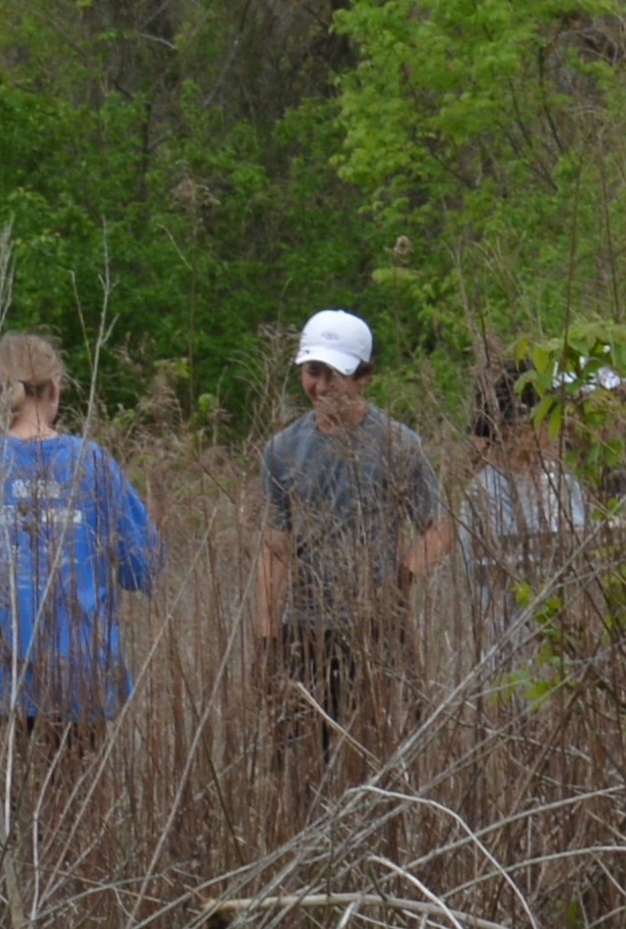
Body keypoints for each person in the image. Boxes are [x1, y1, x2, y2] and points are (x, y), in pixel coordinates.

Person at [0, 331, 161, 787]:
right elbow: (146, 567)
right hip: (85, 683)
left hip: (2, 686)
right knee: (76, 821)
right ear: (56, 389)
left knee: (1, 826)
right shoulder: (95, 465)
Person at [253, 307, 447, 792]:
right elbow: (275, 549)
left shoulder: (398, 443)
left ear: (363, 375)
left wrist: (400, 579)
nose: (321, 387)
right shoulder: (282, 450)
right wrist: (265, 641)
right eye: (312, 372)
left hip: (375, 629)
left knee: (379, 758)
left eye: (335, 374)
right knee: (299, 769)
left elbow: (439, 528)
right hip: (303, 632)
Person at [456, 356, 602, 685]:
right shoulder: (484, 491)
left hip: (566, 654)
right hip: (508, 654)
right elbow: (502, 571)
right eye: (546, 419)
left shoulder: (562, 483)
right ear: (516, 427)